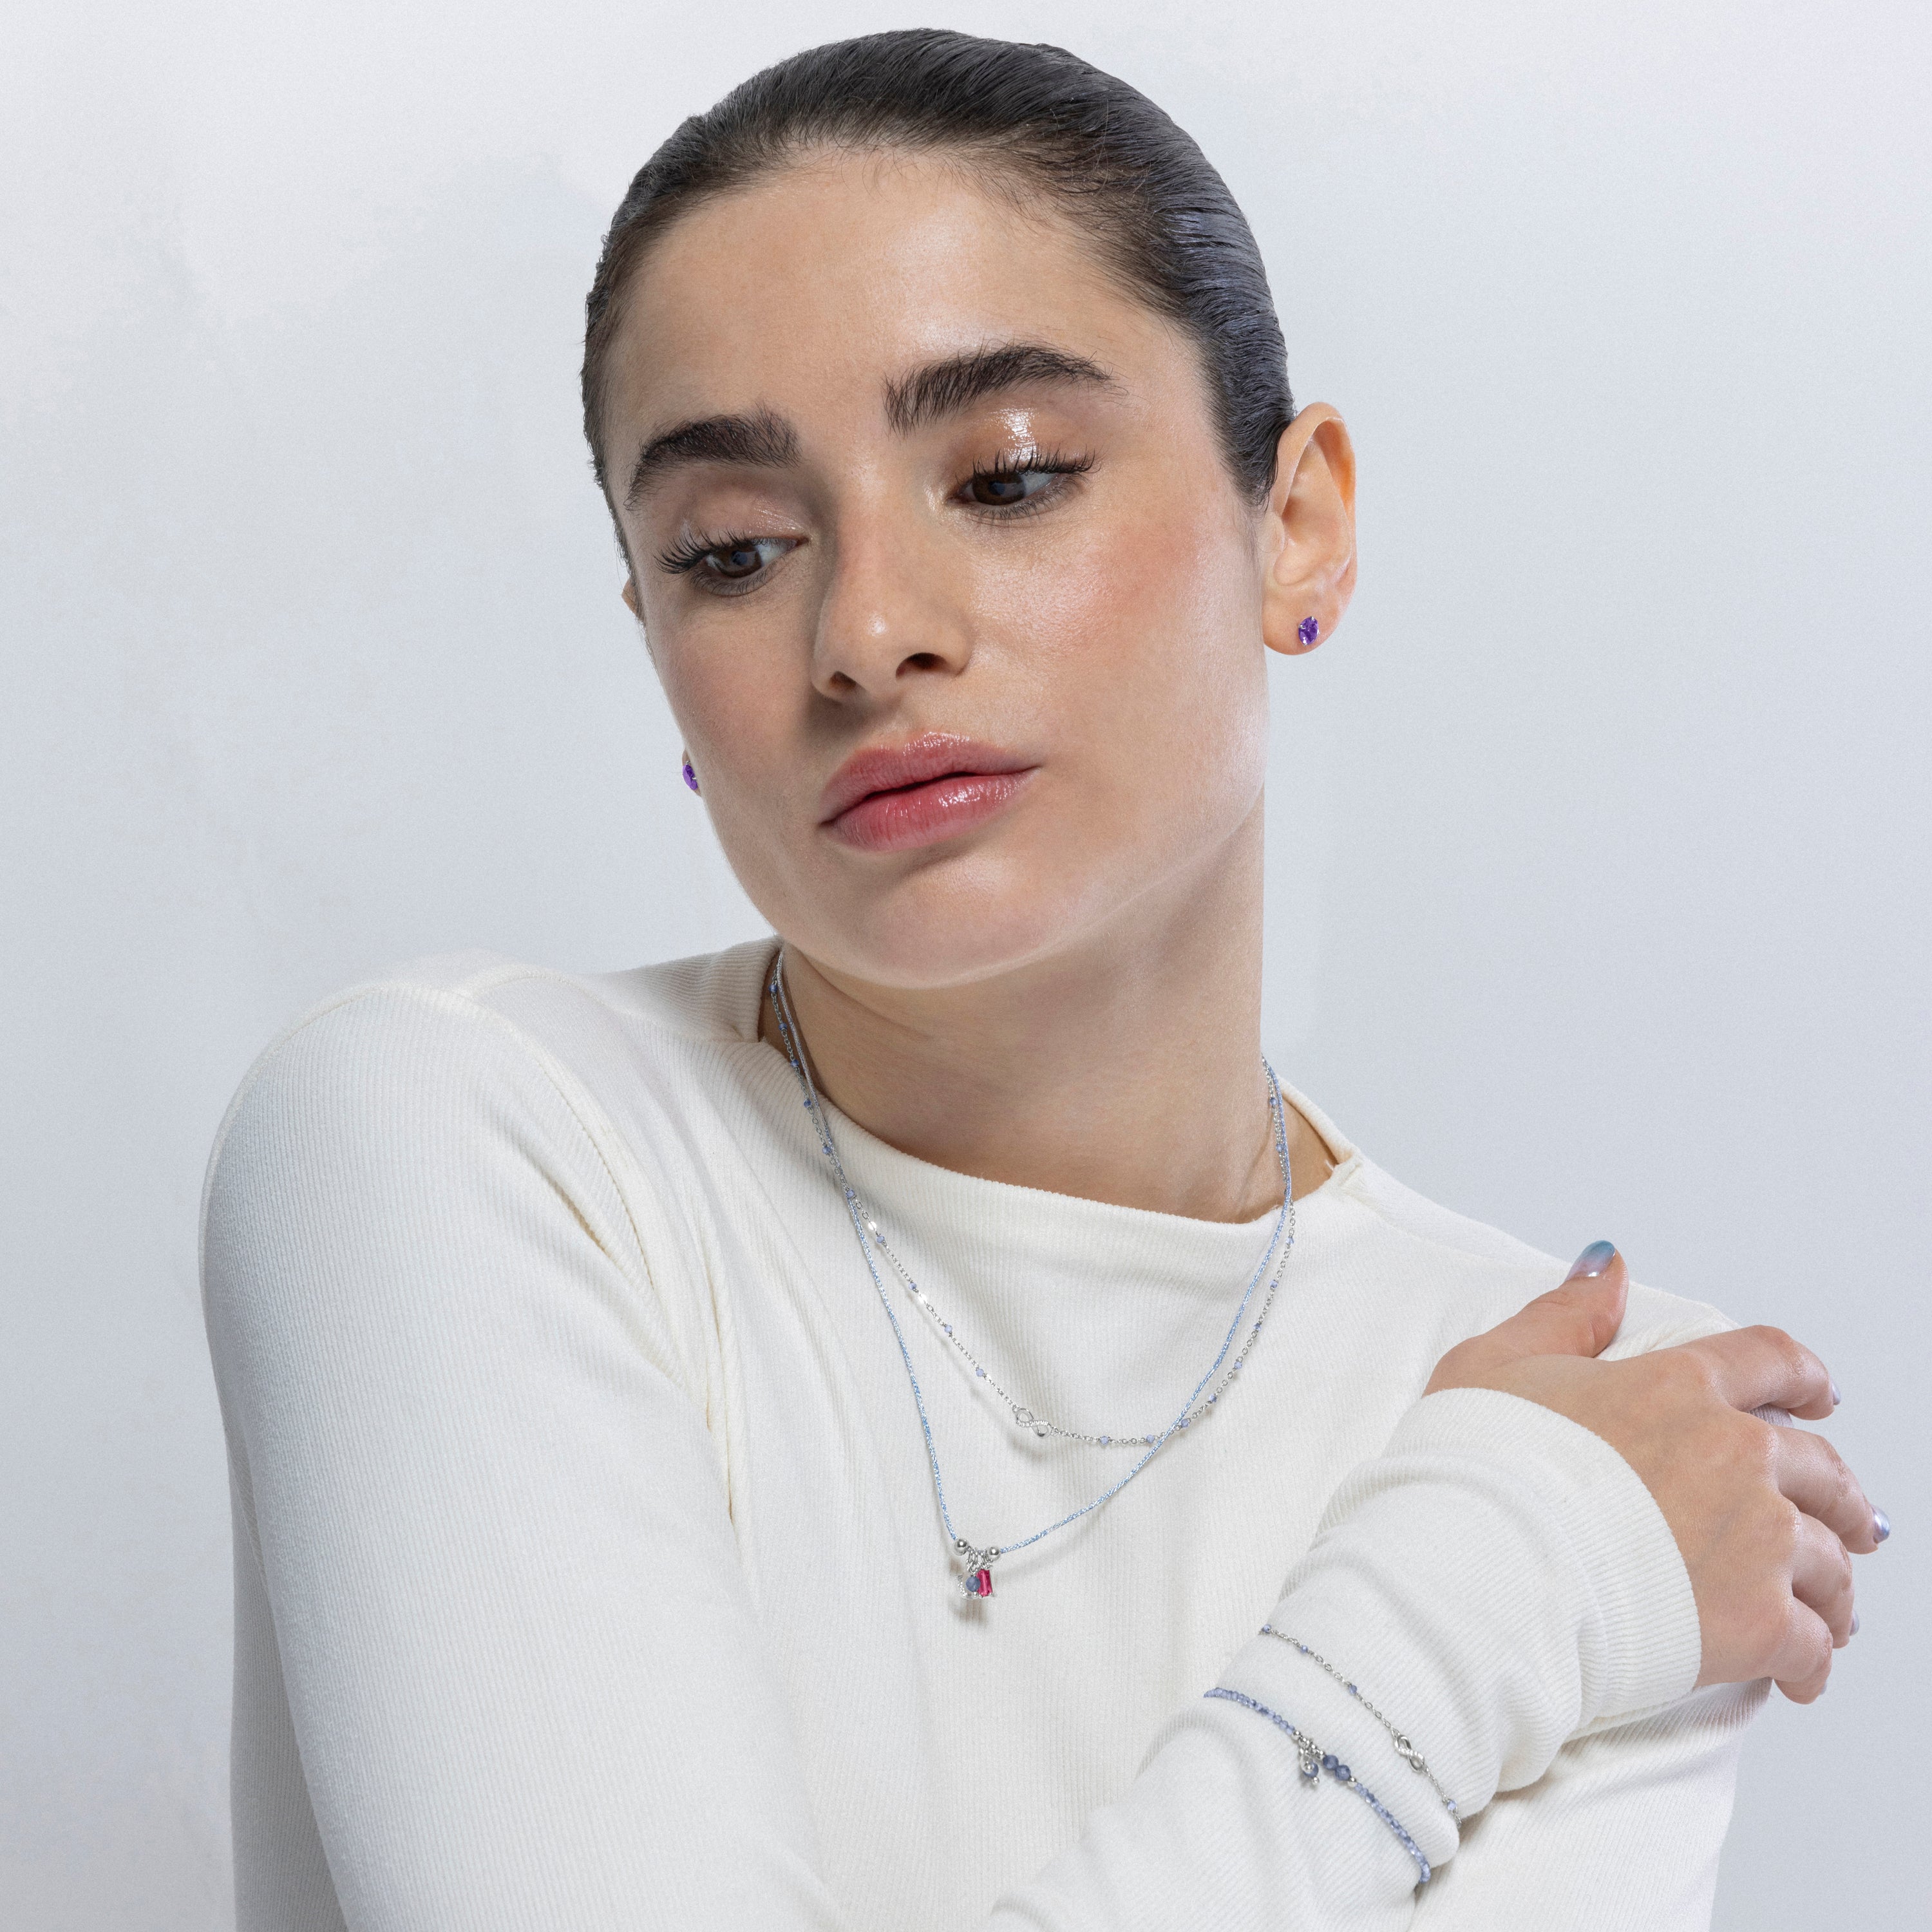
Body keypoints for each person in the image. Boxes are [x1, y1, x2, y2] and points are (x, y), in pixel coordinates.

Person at [201, 29, 1886, 1931]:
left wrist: (1551, 1519)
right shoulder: (462, 1137)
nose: (864, 633)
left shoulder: (1599, 1402)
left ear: (1298, 523)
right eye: (732, 552)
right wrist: (1493, 1585)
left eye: (1006, 479)